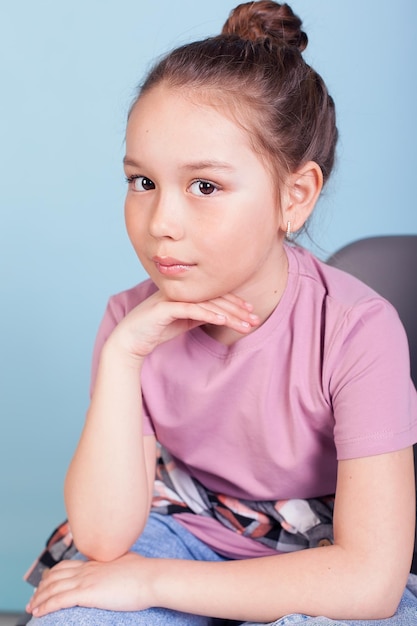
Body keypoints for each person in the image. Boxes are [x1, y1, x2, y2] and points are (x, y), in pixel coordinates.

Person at [25, 1, 417, 624]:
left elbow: (367, 578)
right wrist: (124, 356)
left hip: (320, 560)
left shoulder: (357, 332)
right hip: (184, 529)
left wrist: (151, 582)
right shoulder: (130, 320)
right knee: (79, 612)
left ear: (296, 196)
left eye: (204, 186)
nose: (162, 223)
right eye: (142, 182)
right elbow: (103, 541)